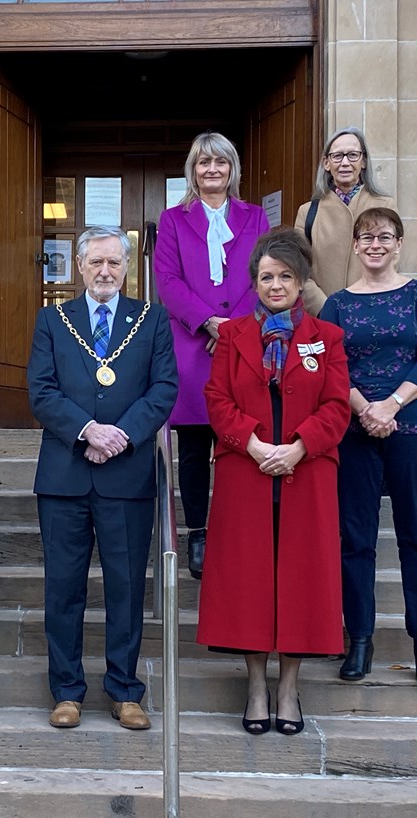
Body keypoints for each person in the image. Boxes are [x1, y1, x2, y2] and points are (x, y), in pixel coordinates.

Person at [196, 228, 350, 735]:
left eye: (286, 276)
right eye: (267, 276)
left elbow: (335, 405)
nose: (276, 284)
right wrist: (257, 446)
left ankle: (289, 686)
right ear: (254, 282)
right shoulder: (233, 336)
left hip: (307, 475)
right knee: (249, 582)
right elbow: (218, 402)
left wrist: (300, 447)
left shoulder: (326, 339)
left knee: (302, 581)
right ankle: (256, 684)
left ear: (302, 280)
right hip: (248, 472)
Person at [27, 225, 179, 731]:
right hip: (65, 477)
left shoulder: (151, 320)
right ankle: (67, 691)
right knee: (63, 589)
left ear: (126, 267)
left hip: (128, 475)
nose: (106, 271)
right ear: (79, 266)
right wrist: (88, 431)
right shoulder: (53, 320)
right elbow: (41, 392)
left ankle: (125, 690)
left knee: (127, 588)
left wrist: (122, 436)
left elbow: (164, 389)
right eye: (96, 263)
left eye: (114, 263)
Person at [319, 208, 417, 685]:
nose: (375, 244)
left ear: (398, 244)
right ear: (354, 246)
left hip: (416, 426)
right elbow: (331, 367)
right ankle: (360, 641)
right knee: (355, 540)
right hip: (354, 431)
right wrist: (364, 410)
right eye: (366, 237)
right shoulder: (337, 304)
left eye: (384, 236)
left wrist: (390, 405)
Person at [154, 132, 269, 579]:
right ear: (193, 170)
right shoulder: (173, 219)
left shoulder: (255, 216)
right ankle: (198, 532)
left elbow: (265, 273)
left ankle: (237, 529)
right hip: (192, 343)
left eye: (220, 162)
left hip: (243, 343)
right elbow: (167, 279)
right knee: (197, 444)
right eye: (203, 163)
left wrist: (235, 328)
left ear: (232, 168)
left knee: (239, 441)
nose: (212, 170)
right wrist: (207, 322)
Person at [293, 127, 396, 314]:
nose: (345, 162)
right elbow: (298, 267)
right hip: (323, 317)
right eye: (338, 156)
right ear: (326, 163)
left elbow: (393, 258)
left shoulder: (385, 206)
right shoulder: (307, 212)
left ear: (363, 161)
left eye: (353, 155)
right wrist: (327, 310)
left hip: (372, 313)